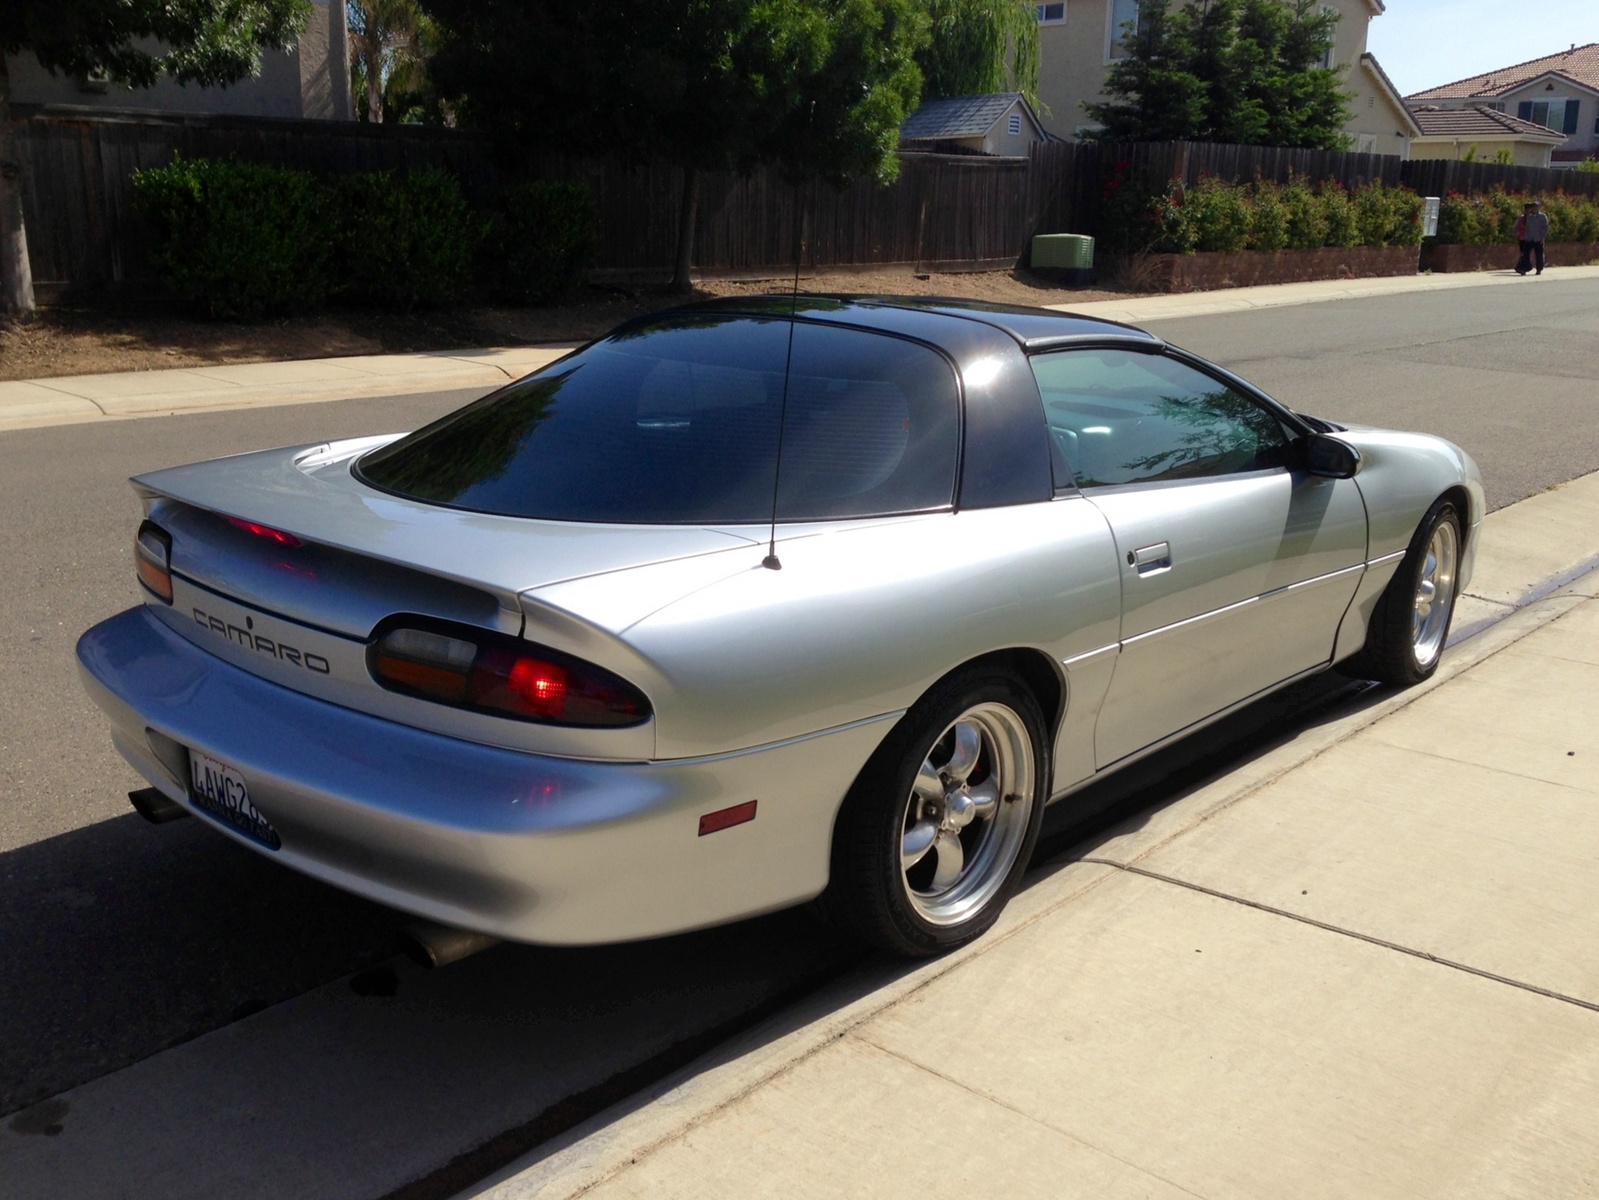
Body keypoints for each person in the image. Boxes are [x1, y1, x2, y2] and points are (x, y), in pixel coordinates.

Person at [1516, 200, 1549, 276]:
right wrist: (1527, 236)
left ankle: (1539, 269)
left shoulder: (1542, 216)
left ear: (1539, 207)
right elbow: (1527, 227)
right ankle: (1523, 269)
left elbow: (1545, 228)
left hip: (1538, 238)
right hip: (1529, 238)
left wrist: (1542, 237)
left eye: (1536, 206)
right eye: (1534, 206)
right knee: (1525, 254)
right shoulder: (1530, 217)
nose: (1535, 208)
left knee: (1539, 255)